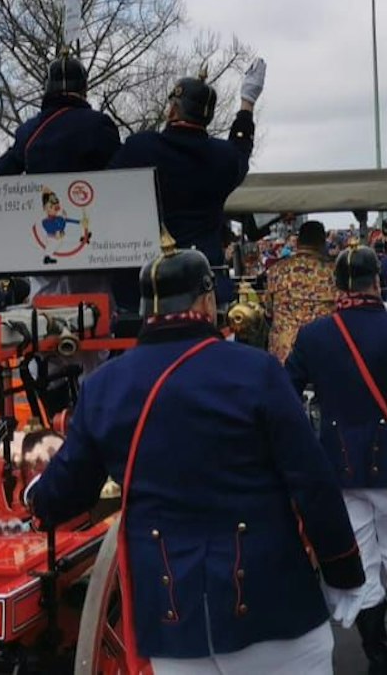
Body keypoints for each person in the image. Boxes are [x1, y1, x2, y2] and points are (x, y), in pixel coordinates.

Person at [26, 248, 366, 674]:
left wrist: (35, 499)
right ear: (207, 301)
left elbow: (66, 493)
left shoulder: (104, 387)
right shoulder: (257, 371)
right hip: (272, 605)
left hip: (172, 622)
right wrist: (342, 570)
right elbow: (313, 483)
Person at [284, 247, 387, 675]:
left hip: (338, 465)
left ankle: (378, 653)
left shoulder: (313, 335)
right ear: (377, 282)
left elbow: (284, 393)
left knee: (362, 560)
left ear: (338, 286)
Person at [109, 61, 267, 280]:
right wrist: (247, 102)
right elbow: (241, 147)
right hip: (206, 271)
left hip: (153, 272)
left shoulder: (141, 147)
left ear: (173, 111)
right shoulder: (224, 156)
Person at [0, 56, 123, 177]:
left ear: (48, 88)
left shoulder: (29, 130)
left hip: (41, 199)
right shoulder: (98, 124)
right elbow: (122, 170)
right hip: (92, 198)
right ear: (84, 88)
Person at [262, 220, 336, 361]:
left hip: (284, 353)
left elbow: (269, 311)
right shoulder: (334, 272)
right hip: (322, 352)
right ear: (322, 243)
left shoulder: (276, 271)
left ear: (298, 242)